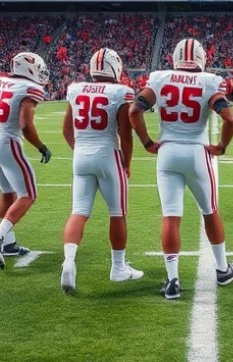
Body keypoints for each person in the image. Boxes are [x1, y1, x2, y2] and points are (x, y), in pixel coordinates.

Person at [129, 38, 233, 301]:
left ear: (175, 57)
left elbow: (134, 111)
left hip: (167, 153)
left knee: (171, 216)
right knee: (209, 210)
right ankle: (222, 269)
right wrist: (222, 146)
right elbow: (229, 117)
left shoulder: (159, 78)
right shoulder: (210, 81)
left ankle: (172, 281)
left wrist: (147, 142)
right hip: (196, 153)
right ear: (202, 58)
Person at [60, 48, 143, 292]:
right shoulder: (120, 91)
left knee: (79, 212)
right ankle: (118, 268)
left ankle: (69, 261)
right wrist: (127, 163)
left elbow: (66, 130)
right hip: (108, 155)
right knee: (117, 213)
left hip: (81, 156)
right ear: (115, 67)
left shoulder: (75, 88)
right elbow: (125, 135)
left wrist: (80, 150)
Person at [0, 52, 52, 270]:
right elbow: (26, 125)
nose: (41, 74)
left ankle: (9, 244)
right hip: (7, 143)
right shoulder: (30, 89)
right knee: (28, 194)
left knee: (7, 193)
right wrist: (41, 146)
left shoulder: (0, 81)